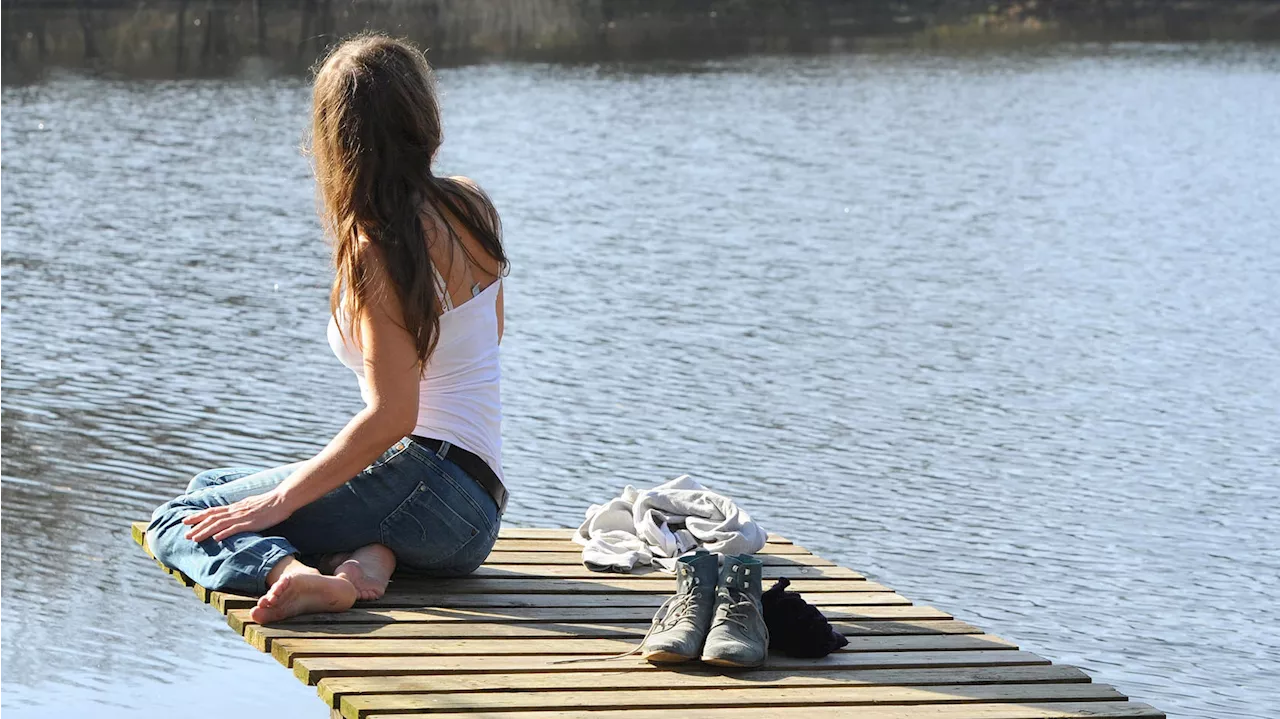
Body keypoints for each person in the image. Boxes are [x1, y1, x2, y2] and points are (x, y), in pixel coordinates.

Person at [146, 33, 509, 624]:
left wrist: (282, 502)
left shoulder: (376, 245)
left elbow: (395, 416)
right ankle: (367, 562)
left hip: (427, 483)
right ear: (422, 117)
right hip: (478, 512)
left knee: (178, 519)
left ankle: (289, 574)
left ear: (338, 140)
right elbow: (487, 337)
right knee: (214, 484)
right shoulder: (472, 206)